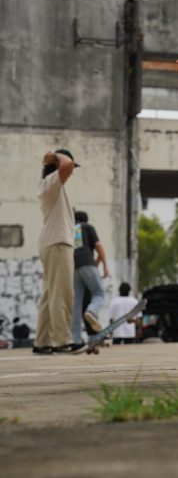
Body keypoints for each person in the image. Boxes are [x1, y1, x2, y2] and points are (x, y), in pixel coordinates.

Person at [33, 149, 80, 354]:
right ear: (55, 166)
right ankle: (63, 341)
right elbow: (67, 164)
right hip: (58, 244)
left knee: (49, 295)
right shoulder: (52, 183)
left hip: (51, 244)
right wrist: (54, 157)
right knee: (61, 294)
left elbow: (68, 166)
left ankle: (42, 342)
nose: (71, 173)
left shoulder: (50, 186)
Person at [71, 211, 110, 349]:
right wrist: (105, 265)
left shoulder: (71, 229)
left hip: (75, 268)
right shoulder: (88, 227)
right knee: (99, 293)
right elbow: (98, 246)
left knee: (77, 304)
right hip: (87, 263)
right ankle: (92, 312)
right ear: (85, 219)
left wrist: (96, 263)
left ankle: (75, 339)